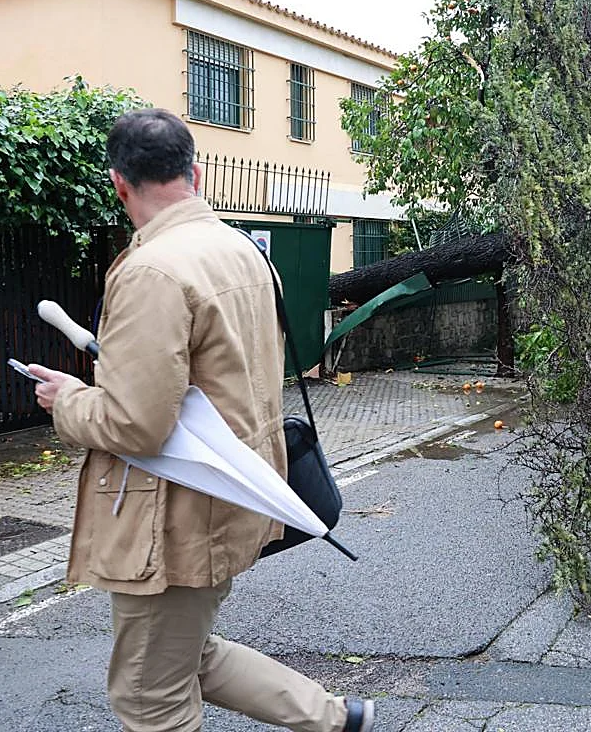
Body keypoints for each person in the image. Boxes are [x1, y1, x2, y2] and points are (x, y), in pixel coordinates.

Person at [27, 108, 373, 732]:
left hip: (174, 514)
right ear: (193, 171)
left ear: (119, 184)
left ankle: (335, 719)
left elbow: (137, 426)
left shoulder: (153, 270)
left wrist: (70, 400)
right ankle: (334, 718)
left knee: (149, 698)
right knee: (185, 654)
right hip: (233, 492)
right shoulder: (241, 249)